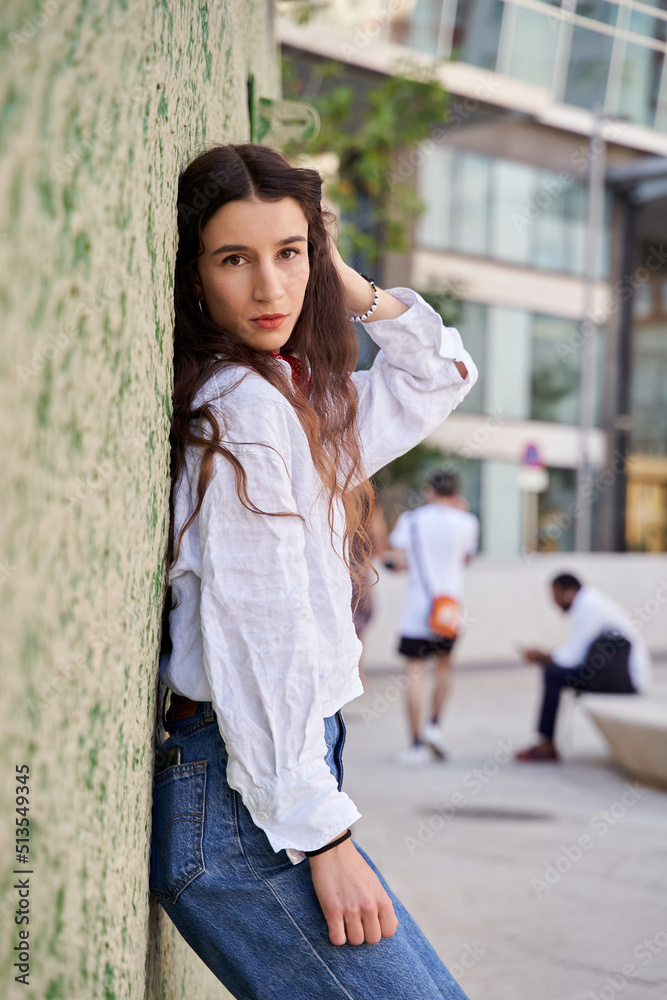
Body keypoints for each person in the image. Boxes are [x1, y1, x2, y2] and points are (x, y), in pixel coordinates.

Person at [151, 142, 478, 999]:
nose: (269, 289)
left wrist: (338, 272)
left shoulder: (296, 399)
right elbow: (265, 645)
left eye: (287, 254)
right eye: (234, 260)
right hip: (244, 803)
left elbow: (436, 373)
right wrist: (325, 841)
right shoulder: (246, 414)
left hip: (272, 785)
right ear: (193, 274)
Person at [387, 470, 479, 766]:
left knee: (415, 673)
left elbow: (397, 559)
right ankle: (435, 726)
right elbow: (467, 559)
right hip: (448, 610)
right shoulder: (468, 522)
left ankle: (416, 746)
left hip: (417, 609)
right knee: (444, 669)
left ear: (429, 490)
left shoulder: (411, 520)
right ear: (456, 492)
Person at [516, 572, 652, 761]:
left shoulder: (587, 605)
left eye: (554, 595)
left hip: (626, 677)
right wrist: (545, 656)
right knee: (554, 673)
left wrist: (541, 655)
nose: (553, 602)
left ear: (568, 593)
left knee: (552, 675)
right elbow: (576, 654)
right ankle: (546, 743)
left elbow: (573, 657)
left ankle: (547, 746)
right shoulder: (589, 601)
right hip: (620, 673)